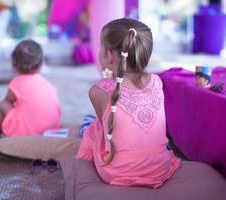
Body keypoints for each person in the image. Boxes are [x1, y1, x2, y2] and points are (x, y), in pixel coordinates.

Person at [76, 18, 181, 188]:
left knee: (95, 127)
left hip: (118, 172)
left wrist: (108, 74)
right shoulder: (157, 81)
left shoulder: (98, 91)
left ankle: (81, 164)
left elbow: (105, 129)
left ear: (109, 54)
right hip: (160, 168)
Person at [0, 39, 61, 141]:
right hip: (50, 130)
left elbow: (8, 101)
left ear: (14, 65)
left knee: (3, 104)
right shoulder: (47, 84)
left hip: (26, 133)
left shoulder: (17, 82)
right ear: (41, 64)